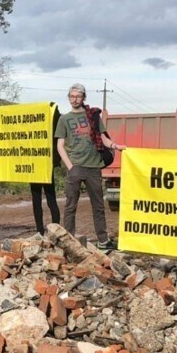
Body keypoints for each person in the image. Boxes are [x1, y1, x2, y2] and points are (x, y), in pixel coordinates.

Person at [55, 83, 125, 248]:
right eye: (72, 96)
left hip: (94, 167)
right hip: (75, 167)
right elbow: (60, 145)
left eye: (78, 96)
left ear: (84, 97)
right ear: (68, 97)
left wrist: (116, 146)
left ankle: (103, 240)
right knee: (70, 206)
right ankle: (69, 241)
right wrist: (70, 166)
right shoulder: (64, 119)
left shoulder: (93, 116)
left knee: (98, 207)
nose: (75, 99)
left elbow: (103, 138)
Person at [30, 105, 61, 235]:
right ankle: (53, 229)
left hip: (38, 166)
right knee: (48, 199)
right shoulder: (52, 129)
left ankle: (43, 230)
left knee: (42, 200)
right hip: (40, 167)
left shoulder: (40, 130)